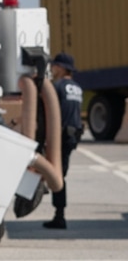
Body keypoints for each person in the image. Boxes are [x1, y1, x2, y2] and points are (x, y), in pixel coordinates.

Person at [44, 52, 85, 229]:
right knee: (60, 174)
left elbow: (51, 114)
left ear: (61, 68)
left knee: (56, 175)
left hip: (59, 137)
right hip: (72, 136)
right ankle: (59, 214)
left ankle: (59, 216)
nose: (52, 69)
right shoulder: (77, 87)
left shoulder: (57, 87)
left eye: (54, 66)